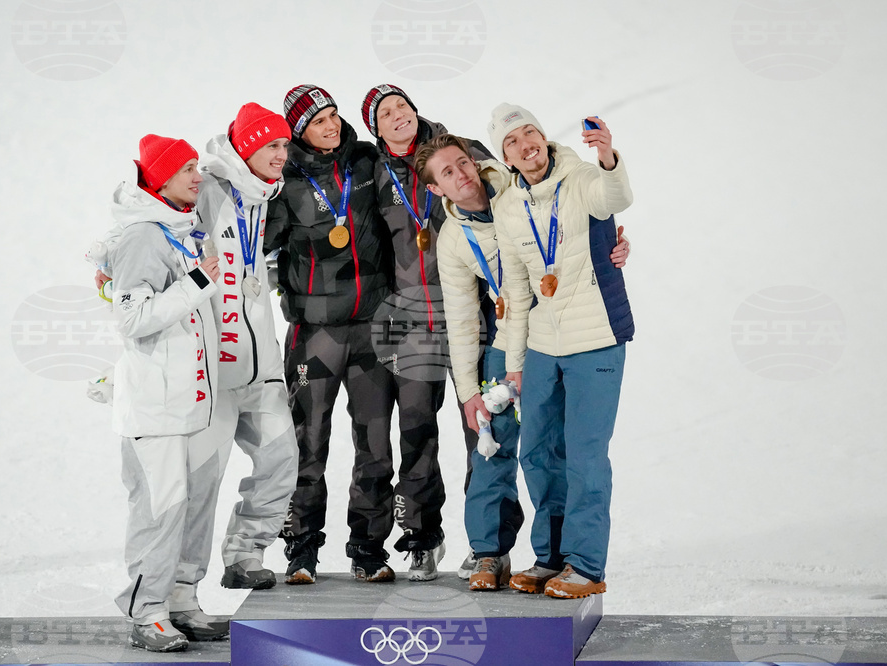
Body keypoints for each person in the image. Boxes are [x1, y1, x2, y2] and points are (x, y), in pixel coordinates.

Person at [415, 133, 631, 591]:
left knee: (553, 450)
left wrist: (607, 246)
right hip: (507, 335)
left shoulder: (519, 188)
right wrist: (468, 392)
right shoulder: (452, 240)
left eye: (463, 163)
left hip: (557, 329)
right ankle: (490, 553)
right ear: (436, 189)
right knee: (492, 442)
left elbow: (579, 214)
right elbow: (460, 318)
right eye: (448, 173)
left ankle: (564, 558)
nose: (462, 174)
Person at [488, 104, 634, 599]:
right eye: (512, 141)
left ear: (544, 137)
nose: (525, 144)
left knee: (585, 456)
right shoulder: (508, 207)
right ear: (506, 157)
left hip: (595, 339)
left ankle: (585, 565)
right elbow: (515, 287)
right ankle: (550, 558)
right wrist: (515, 365)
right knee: (537, 453)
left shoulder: (581, 176)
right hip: (542, 347)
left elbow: (616, 197)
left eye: (530, 132)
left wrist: (608, 157)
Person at [359, 84, 494, 581]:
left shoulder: (460, 151)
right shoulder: (374, 172)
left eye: (402, 105)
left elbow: (518, 204)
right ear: (376, 130)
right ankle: (421, 539)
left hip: (472, 314)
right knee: (416, 432)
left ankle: (488, 545)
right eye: (385, 113)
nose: (398, 115)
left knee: (484, 431)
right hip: (413, 321)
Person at [265, 85, 397, 584]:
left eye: (334, 114)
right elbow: (254, 239)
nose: (332, 124)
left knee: (375, 444)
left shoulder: (365, 161)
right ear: (299, 131)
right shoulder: (285, 179)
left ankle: (368, 548)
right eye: (319, 120)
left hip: (372, 328)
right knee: (307, 444)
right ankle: (301, 549)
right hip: (314, 332)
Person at [108, 134, 221, 651]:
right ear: (159, 180)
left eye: (197, 166)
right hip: (155, 410)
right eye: (186, 170)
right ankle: (147, 610)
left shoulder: (181, 229)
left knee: (195, 505)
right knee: (161, 510)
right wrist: (195, 282)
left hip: (191, 404)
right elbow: (131, 319)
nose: (197, 177)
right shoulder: (143, 237)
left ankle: (180, 599)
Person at [187, 103, 299, 592]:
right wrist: (108, 265)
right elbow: (151, 225)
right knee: (199, 485)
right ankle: (180, 589)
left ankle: (245, 555)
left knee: (281, 461)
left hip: (260, 365)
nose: (281, 154)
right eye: (271, 145)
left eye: (284, 145)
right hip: (213, 372)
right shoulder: (207, 190)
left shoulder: (263, 195)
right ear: (248, 147)